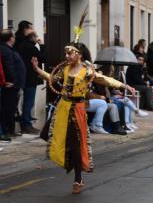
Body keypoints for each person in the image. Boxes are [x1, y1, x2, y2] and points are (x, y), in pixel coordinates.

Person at [31, 38, 136, 194]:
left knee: (76, 145)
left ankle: (78, 178)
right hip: (62, 107)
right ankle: (67, 156)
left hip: (77, 109)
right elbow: (52, 79)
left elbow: (105, 79)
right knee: (45, 134)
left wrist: (124, 85)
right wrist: (37, 69)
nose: (66, 56)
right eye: (66, 53)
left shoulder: (88, 71)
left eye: (69, 53)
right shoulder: (65, 69)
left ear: (78, 55)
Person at [14, 21, 46, 134]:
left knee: (21, 101)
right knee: (29, 102)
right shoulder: (30, 46)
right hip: (30, 77)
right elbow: (43, 58)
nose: (36, 36)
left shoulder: (17, 42)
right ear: (26, 30)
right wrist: (42, 45)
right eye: (32, 31)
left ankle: (24, 123)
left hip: (20, 76)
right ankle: (26, 125)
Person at [0, 30, 26, 139]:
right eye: (14, 36)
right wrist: (13, 81)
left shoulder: (8, 49)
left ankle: (10, 130)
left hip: (13, 84)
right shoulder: (5, 50)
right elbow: (8, 66)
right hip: (10, 85)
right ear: (11, 38)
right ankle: (7, 131)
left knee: (11, 108)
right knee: (8, 109)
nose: (15, 38)